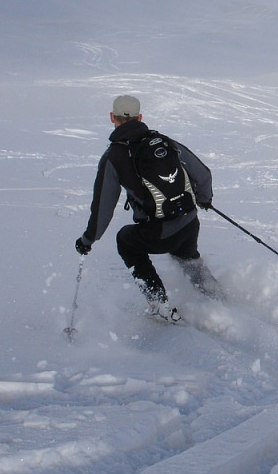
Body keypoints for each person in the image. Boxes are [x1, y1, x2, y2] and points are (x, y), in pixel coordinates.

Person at [75, 94, 222, 322]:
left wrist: (88, 240)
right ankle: (220, 298)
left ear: (112, 117)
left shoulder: (113, 156)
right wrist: (204, 199)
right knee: (188, 257)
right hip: (189, 221)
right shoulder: (162, 141)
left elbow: (103, 207)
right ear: (140, 117)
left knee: (126, 242)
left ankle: (159, 303)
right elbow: (202, 174)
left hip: (158, 232)